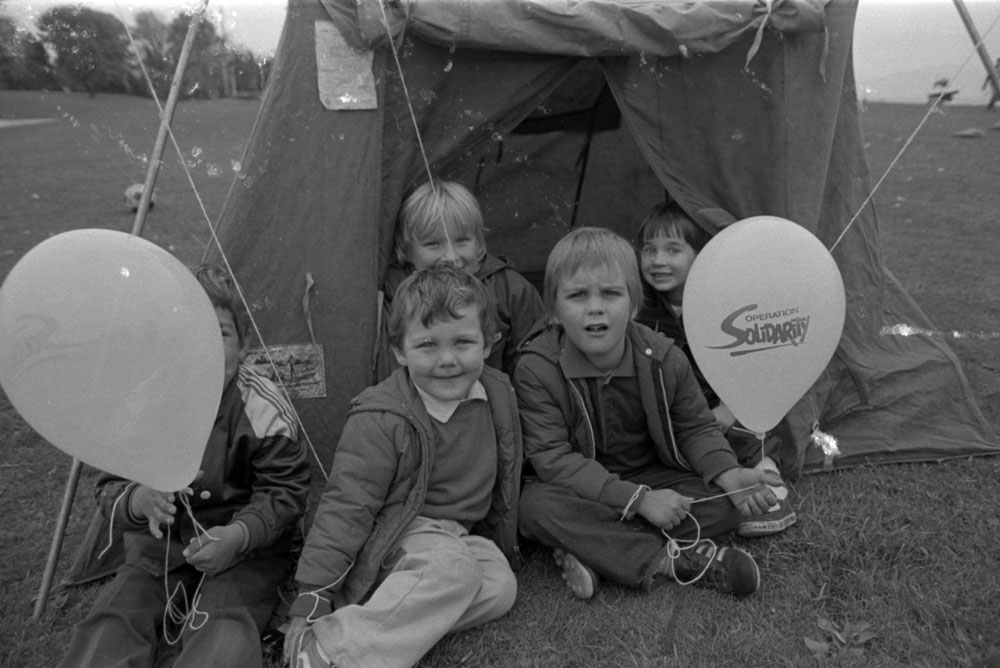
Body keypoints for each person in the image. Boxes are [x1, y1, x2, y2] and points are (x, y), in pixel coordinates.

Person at [57, 264, 312, 668]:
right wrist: (138, 499)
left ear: (243, 346)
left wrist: (239, 535)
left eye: (221, 334)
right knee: (116, 615)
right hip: (157, 549)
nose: (205, 347)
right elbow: (109, 483)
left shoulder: (262, 405)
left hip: (245, 550)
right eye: (188, 334)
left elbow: (286, 491)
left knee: (225, 623)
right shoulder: (141, 401)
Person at [514, 226, 782, 601]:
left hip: (654, 475)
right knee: (534, 508)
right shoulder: (537, 369)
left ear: (634, 304)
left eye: (610, 293)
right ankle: (670, 561)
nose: (595, 307)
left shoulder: (664, 357)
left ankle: (595, 548)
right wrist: (639, 501)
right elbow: (554, 460)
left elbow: (695, 426)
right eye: (577, 296)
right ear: (555, 312)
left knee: (726, 503)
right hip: (580, 489)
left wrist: (728, 472)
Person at [284, 263, 521, 668]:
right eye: (428, 345)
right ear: (400, 352)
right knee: (454, 569)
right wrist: (313, 593)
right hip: (393, 534)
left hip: (456, 537)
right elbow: (347, 507)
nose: (447, 359)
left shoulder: (497, 394)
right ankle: (325, 652)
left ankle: (396, 615)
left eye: (463, 342)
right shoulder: (382, 415)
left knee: (500, 587)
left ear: (487, 344)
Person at [634, 202, 797, 537]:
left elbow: (757, 368)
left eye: (673, 250)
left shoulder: (725, 302)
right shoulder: (642, 309)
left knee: (752, 431)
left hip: (725, 408)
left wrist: (728, 410)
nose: (658, 261)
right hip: (678, 413)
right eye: (649, 250)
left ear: (702, 255)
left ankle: (768, 482)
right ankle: (723, 482)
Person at [379, 178, 545, 378]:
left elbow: (534, 370)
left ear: (479, 242)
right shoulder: (392, 294)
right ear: (405, 249)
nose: (450, 256)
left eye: (462, 240)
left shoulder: (510, 290)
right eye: (433, 244)